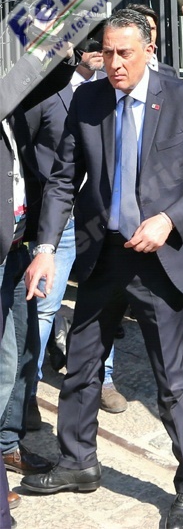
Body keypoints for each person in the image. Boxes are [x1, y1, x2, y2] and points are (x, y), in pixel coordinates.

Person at [21, 9, 183, 529]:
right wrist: (45, 247)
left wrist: (170, 220)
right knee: (82, 365)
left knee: (171, 379)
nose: (114, 64)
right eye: (107, 53)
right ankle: (78, 462)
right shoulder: (88, 99)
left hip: (160, 259)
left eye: (125, 54)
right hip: (103, 254)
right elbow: (64, 179)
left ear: (148, 51)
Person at [21, 33, 127, 423]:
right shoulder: (46, 93)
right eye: (93, 45)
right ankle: (27, 392)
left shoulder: (116, 91)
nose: (101, 53)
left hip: (103, 218)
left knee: (103, 301)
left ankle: (104, 378)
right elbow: (25, 151)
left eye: (107, 46)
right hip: (60, 221)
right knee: (45, 306)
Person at [0, 47, 76, 525]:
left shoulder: (11, 96)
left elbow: (45, 82)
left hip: (15, 245)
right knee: (4, 361)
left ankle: (7, 444)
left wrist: (64, 48)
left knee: (24, 349)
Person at [124, 3, 178, 79]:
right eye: (144, 29)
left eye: (152, 29)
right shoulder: (115, 71)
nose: (149, 34)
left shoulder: (169, 73)